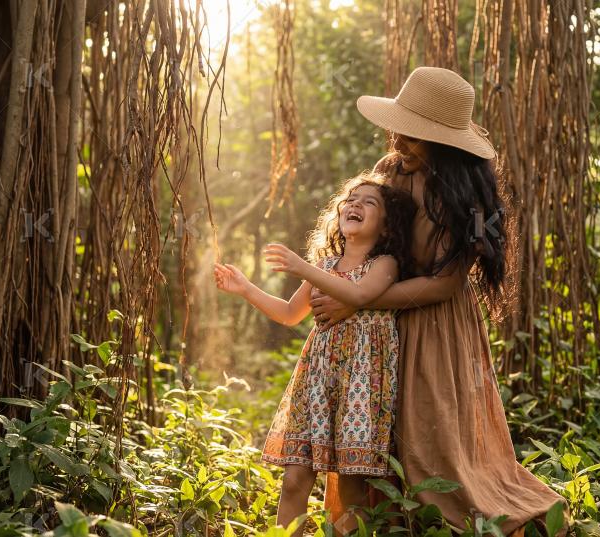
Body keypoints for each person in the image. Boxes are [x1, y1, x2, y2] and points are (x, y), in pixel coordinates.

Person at [312, 67, 570, 536]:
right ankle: (377, 520)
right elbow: (366, 237)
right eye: (402, 131)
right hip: (380, 323)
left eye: (416, 137)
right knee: (373, 423)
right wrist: (349, 291)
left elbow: (445, 285)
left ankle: (439, 516)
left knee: (429, 431)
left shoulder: (468, 198)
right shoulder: (390, 172)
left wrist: (360, 301)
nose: (402, 143)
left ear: (445, 143)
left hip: (435, 324)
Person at [213, 173, 417, 535]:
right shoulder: (325, 267)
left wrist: (299, 265)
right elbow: (290, 314)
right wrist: (245, 288)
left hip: (361, 386)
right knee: (295, 478)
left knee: (352, 485)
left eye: (369, 202)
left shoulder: (385, 264)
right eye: (351, 198)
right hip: (317, 382)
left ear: (386, 226)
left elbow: (357, 296)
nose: (355, 204)